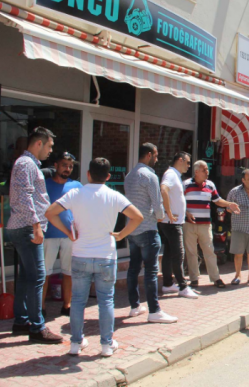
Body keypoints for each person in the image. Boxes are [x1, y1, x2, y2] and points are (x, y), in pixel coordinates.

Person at [46, 158, 145, 357]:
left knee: (78, 301)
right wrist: (121, 235)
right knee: (106, 301)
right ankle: (107, 345)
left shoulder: (75, 193)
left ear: (88, 174)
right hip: (106, 256)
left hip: (81, 254)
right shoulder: (113, 196)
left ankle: (75, 343)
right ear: (108, 177)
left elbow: (50, 212)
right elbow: (138, 217)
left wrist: (68, 232)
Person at [7, 127, 64, 344]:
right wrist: (36, 225)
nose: (51, 151)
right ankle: (36, 327)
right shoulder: (25, 164)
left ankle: (21, 321)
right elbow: (24, 196)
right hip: (27, 228)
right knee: (38, 276)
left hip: (25, 227)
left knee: (26, 276)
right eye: (49, 146)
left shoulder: (28, 164)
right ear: (38, 143)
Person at [124, 144, 178, 324]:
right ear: (148, 155)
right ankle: (154, 310)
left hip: (132, 229)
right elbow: (157, 205)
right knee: (151, 271)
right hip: (147, 228)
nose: (157, 159)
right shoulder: (150, 176)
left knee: (133, 269)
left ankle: (134, 306)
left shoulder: (129, 176)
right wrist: (162, 216)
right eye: (155, 155)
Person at [184, 161, 241, 289]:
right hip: (189, 224)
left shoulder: (210, 185)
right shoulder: (186, 184)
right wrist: (186, 212)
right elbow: (180, 203)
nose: (207, 172)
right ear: (196, 171)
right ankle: (194, 279)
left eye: (207, 169)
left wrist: (228, 204)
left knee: (209, 251)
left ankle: (215, 278)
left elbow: (217, 200)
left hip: (205, 224)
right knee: (191, 252)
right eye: (204, 170)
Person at [43, 152, 82, 318]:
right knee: (44, 272)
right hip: (47, 235)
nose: (68, 169)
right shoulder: (44, 184)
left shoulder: (77, 186)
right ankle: (40, 306)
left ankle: (67, 305)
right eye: (64, 165)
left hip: (69, 236)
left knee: (69, 271)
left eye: (70, 166)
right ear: (56, 165)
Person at [159, 152, 199, 299]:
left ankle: (168, 284)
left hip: (173, 221)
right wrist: (168, 211)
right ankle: (183, 286)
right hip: (172, 223)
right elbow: (163, 189)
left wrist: (185, 213)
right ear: (180, 160)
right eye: (188, 163)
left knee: (169, 253)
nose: (189, 166)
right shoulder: (170, 174)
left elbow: (175, 196)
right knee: (178, 254)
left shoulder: (174, 174)